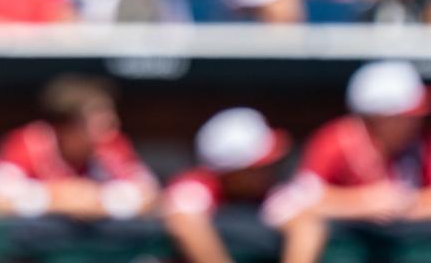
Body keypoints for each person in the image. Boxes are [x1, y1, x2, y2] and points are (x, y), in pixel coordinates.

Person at [267, 61, 431, 263]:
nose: (415, 121)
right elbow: (292, 201)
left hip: (400, 241)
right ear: (379, 117)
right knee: (306, 228)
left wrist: (407, 202)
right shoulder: (338, 140)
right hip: (346, 241)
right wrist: (362, 202)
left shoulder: (420, 143)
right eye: (404, 117)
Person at [0, 74, 158, 222]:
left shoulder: (111, 143)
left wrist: (100, 198)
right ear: (67, 127)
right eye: (100, 123)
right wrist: (55, 196)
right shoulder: (31, 141)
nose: (113, 128)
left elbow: (151, 197)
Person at [163, 108, 291, 263]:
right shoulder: (199, 185)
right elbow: (185, 222)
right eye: (257, 168)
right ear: (231, 172)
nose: (269, 171)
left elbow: (304, 220)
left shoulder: (269, 191)